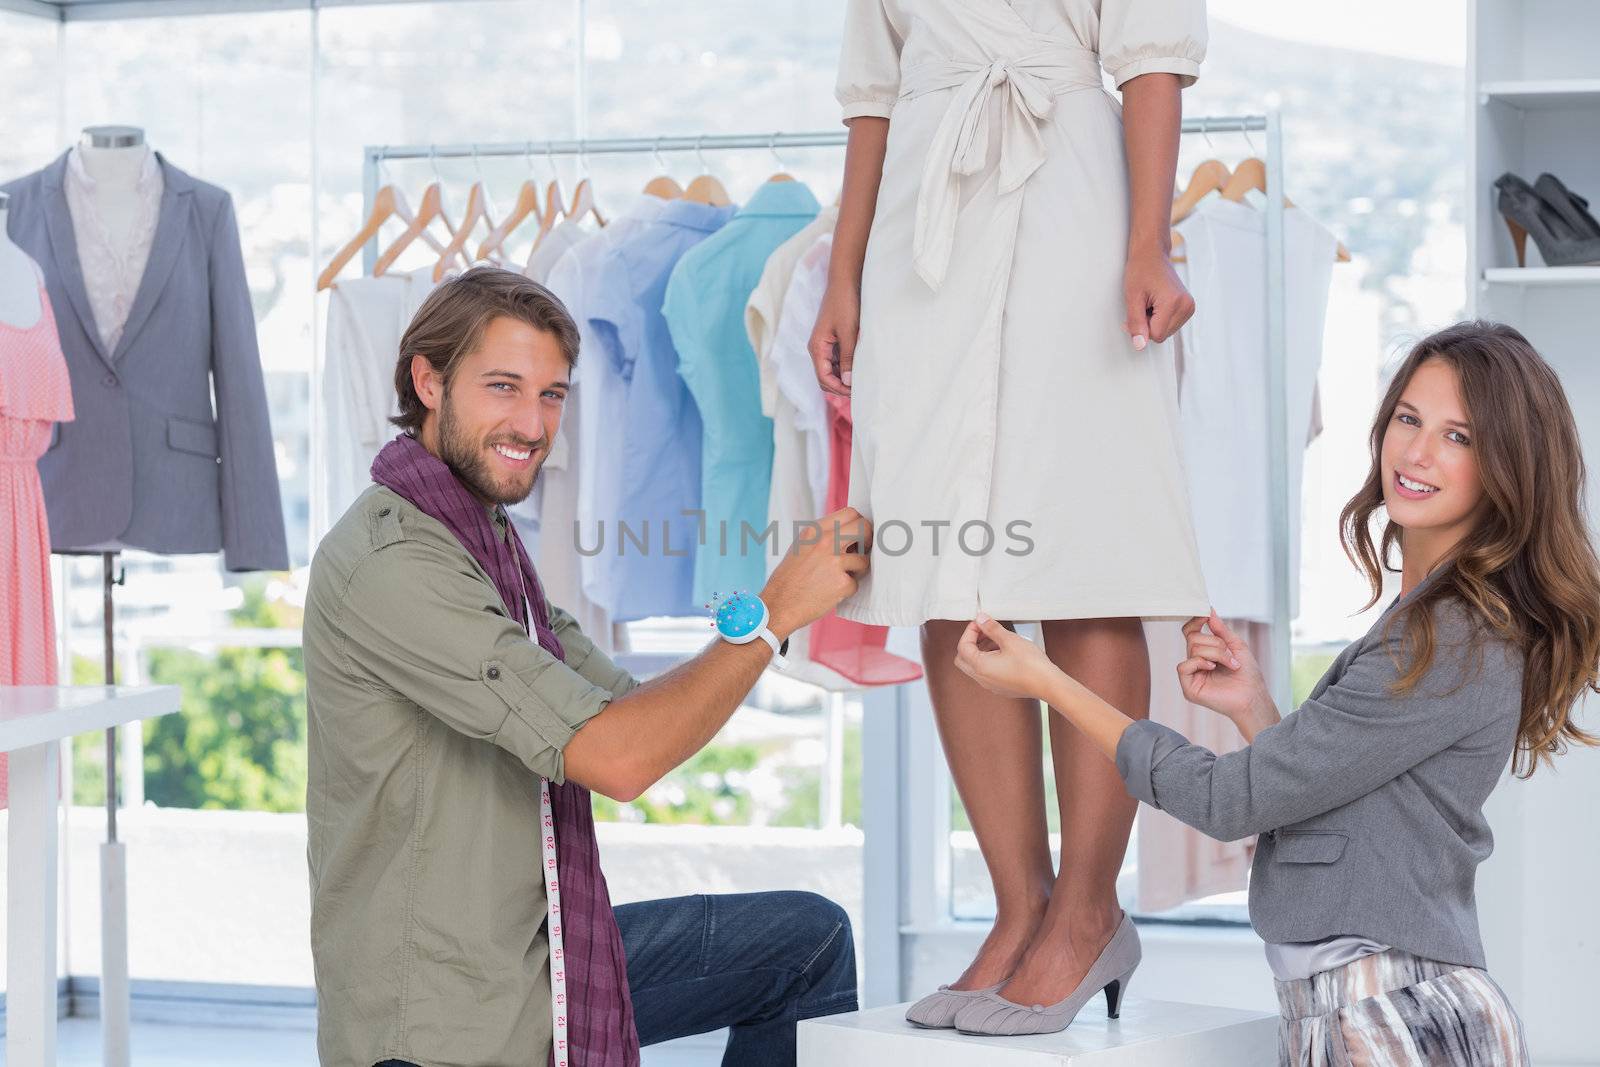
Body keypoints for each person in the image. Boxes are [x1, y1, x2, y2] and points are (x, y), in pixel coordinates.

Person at [949, 321, 1600, 1062]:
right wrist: (1255, 708)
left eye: (1460, 436)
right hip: (1356, 1014)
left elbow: (1230, 802)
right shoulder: (1426, 619)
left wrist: (1048, 683)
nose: (1417, 453)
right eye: (1409, 419)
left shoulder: (1452, 634)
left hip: (1395, 1018)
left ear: (1508, 465)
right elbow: (1346, 804)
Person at [303, 267, 869, 1067]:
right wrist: (776, 613)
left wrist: (761, 612)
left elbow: (636, 715)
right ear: (427, 382)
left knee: (802, 942)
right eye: (503, 386)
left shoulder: (485, 543)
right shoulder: (395, 562)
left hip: (537, 955)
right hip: (444, 1023)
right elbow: (621, 758)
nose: (532, 424)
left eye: (552, 395)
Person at [810, 0, 1210, 1034]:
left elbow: (1152, 64)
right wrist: (843, 270)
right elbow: (872, 97)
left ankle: (1086, 910)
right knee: (943, 563)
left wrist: (1147, 243)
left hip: (1070, 193)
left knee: (1086, 556)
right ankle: (1018, 902)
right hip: (922, 225)